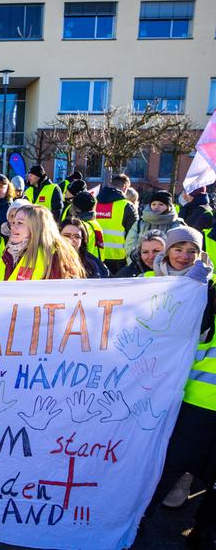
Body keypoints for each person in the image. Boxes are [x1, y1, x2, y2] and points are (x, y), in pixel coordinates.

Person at [143, 226, 216, 539]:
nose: (185, 256)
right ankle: (135, 521)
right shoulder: (147, 282)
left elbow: (198, 338)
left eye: (192, 251)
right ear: (167, 251)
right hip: (157, 382)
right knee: (161, 460)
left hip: (190, 390)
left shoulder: (207, 287)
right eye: (178, 249)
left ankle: (203, 533)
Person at [0, 204, 85, 281]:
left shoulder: (55, 256)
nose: (13, 227)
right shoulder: (10, 253)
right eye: (13, 222)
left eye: (19, 223)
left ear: (36, 227)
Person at [95, 173, 138, 275]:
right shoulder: (127, 206)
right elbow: (134, 234)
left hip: (95, 255)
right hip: (119, 259)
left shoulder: (94, 202)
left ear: (110, 184)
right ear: (125, 188)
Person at [124, 189, 184, 260]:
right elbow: (130, 245)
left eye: (161, 204)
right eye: (153, 204)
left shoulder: (177, 224)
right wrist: (138, 262)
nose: (156, 206)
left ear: (169, 207)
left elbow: (180, 248)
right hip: (142, 265)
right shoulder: (140, 223)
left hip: (166, 266)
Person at [71, 191, 105, 261]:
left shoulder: (81, 226)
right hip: (97, 265)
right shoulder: (95, 223)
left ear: (77, 209)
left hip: (86, 265)